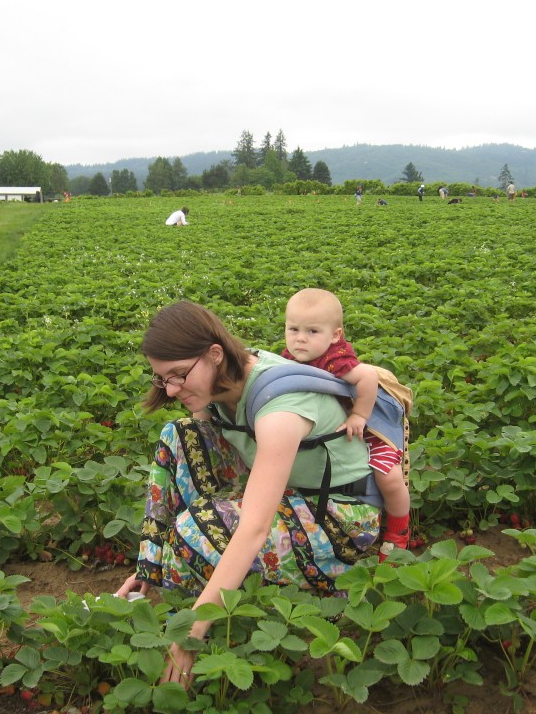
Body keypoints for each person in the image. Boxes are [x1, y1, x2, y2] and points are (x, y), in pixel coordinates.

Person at [116, 301, 381, 686]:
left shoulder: (280, 411)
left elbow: (254, 529)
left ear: (215, 355)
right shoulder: (228, 379)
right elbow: (186, 458)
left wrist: (192, 634)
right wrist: (150, 562)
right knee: (178, 436)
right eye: (162, 379)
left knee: (195, 531)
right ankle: (157, 573)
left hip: (342, 519)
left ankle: (332, 583)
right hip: (291, 496)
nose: (171, 390)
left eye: (178, 375)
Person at [281, 289, 411, 562]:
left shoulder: (334, 359)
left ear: (335, 336)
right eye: (293, 329)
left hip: (371, 424)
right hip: (331, 426)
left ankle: (399, 529)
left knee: (388, 474)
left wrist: (359, 416)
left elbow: (366, 377)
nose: (300, 338)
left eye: (313, 331)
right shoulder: (290, 357)